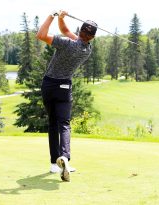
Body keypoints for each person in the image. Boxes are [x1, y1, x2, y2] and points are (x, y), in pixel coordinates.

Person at [36, 10, 97, 182]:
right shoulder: (87, 49)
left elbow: (41, 35)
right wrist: (61, 18)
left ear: (80, 32)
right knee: (64, 124)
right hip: (64, 88)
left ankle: (54, 164)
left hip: (48, 85)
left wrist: (51, 15)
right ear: (91, 37)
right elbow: (65, 30)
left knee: (52, 124)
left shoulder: (65, 43)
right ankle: (65, 158)